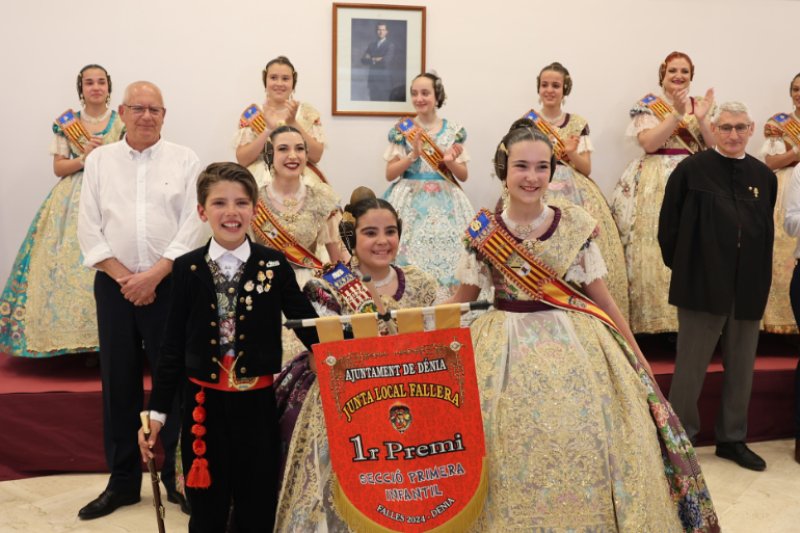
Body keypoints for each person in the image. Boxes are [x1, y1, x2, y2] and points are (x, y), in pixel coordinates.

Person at [451, 119, 719, 531]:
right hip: (501, 347)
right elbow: (458, 304)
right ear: (504, 170)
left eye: (542, 167)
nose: (532, 177)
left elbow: (601, 296)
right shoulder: (484, 232)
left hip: (575, 342)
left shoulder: (574, 224)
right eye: (522, 166)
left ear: (552, 172)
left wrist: (636, 354)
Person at [139, 162, 319, 532]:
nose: (231, 212)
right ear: (203, 211)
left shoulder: (273, 264)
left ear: (255, 209)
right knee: (206, 507)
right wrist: (156, 414)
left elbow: (308, 324)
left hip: (256, 406)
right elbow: (171, 346)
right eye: (219, 203)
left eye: (241, 203)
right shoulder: (187, 269)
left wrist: (346, 353)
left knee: (257, 503)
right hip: (202, 410)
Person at [76, 81, 206, 519]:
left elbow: (194, 223)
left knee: (174, 382)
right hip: (114, 287)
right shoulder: (98, 161)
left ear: (164, 115)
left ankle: (177, 478)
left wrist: (154, 275)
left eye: (155, 109)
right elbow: (88, 228)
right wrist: (126, 278)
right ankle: (124, 482)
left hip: (170, 285)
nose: (146, 116)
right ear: (122, 112)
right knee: (119, 382)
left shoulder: (185, 159)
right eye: (138, 108)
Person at [275, 189, 437, 531]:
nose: (382, 241)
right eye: (370, 232)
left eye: (390, 231)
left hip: (411, 397)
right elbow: (326, 358)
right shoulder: (327, 287)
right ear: (351, 236)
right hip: (346, 401)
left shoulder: (421, 283)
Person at [659, 101, 776, 472]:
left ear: (752, 129)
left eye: (740, 127)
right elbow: (668, 228)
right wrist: (689, 267)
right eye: (725, 127)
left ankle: (732, 438)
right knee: (690, 367)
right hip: (701, 283)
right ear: (714, 127)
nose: (733, 135)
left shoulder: (764, 176)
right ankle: (682, 441)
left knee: (742, 366)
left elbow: (764, 232)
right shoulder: (691, 171)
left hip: (748, 286)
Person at [0, 64, 125, 358]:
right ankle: (70, 344)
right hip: (71, 200)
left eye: (101, 82)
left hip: (110, 195)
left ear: (109, 87)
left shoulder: (121, 123)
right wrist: (85, 158)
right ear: (80, 89)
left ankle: (108, 340)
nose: (95, 87)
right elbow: (59, 167)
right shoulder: (67, 124)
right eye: (89, 82)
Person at [611, 51, 715, 334]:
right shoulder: (648, 106)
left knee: (695, 245)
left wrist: (702, 119)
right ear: (663, 75)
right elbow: (650, 143)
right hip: (655, 180)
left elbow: (713, 145)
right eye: (672, 71)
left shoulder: (702, 106)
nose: (678, 76)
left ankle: (692, 320)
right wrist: (676, 115)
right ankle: (657, 321)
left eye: (684, 71)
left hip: (695, 177)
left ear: (691, 75)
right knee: (654, 245)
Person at [528, 61, 629, 320]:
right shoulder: (527, 123)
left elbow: (586, 169)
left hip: (576, 192)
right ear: (538, 89)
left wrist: (572, 153)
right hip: (538, 187)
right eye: (545, 85)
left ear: (565, 89)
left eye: (556, 85)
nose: (550, 90)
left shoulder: (578, 123)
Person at [251, 125, 346, 361]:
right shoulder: (253, 199)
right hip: (265, 288)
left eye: (300, 149)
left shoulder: (322, 199)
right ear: (270, 155)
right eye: (283, 149)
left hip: (308, 290)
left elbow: (336, 261)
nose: (293, 156)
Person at [384, 72, 473, 300]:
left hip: (448, 202)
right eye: (415, 93)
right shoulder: (402, 130)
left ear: (437, 95)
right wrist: (413, 155)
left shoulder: (453, 130)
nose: (419, 98)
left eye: (425, 93)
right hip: (410, 201)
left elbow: (463, 176)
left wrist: (451, 162)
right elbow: (390, 173)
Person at [235, 56, 327, 188]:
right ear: (265, 81)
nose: (279, 83)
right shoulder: (253, 114)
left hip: (301, 179)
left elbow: (316, 156)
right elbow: (242, 160)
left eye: (285, 78)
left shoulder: (307, 112)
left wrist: (293, 123)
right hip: (261, 181)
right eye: (273, 78)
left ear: (293, 83)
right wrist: (268, 130)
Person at [761, 74, 800, 334]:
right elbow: (770, 163)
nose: (799, 94)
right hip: (788, 186)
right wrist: (796, 153)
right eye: (795, 89)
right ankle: (780, 322)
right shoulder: (779, 123)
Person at [360, 22, 397, 101]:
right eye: (379, 30)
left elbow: (386, 61)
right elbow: (363, 60)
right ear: (376, 31)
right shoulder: (371, 45)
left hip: (384, 82)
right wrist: (376, 59)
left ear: (386, 32)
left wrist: (371, 58)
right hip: (372, 81)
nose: (381, 32)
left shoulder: (390, 45)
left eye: (383, 30)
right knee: (373, 105)